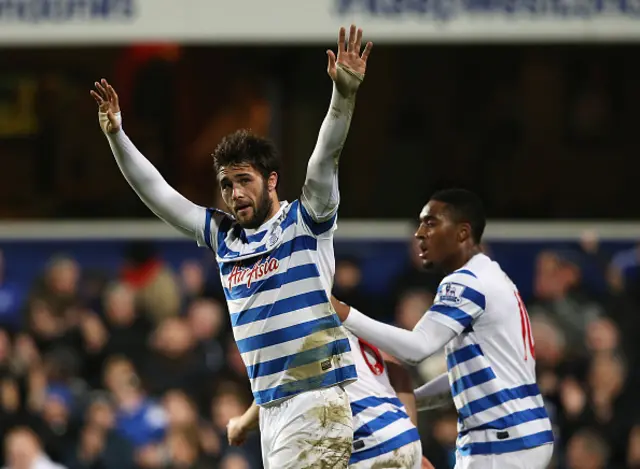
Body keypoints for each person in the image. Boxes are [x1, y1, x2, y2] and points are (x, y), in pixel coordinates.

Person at [90, 25, 373, 469]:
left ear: (271, 181)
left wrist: (344, 96)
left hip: (314, 400)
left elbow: (324, 157)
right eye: (226, 184)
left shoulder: (306, 222)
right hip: (273, 407)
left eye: (244, 180)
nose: (235, 193)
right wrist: (117, 136)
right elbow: (159, 195)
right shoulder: (225, 237)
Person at [335, 189, 554, 469]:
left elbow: (418, 347)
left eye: (431, 223)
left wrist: (345, 313)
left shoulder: (467, 282)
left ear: (462, 233)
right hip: (519, 437)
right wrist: (407, 402)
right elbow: (464, 377)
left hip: (500, 444)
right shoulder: (492, 276)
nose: (419, 234)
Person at [227, 296, 434, 469]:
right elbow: (399, 374)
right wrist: (407, 438)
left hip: (366, 447)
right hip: (398, 436)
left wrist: (241, 424)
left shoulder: (289, 325)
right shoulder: (339, 313)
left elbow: (276, 391)